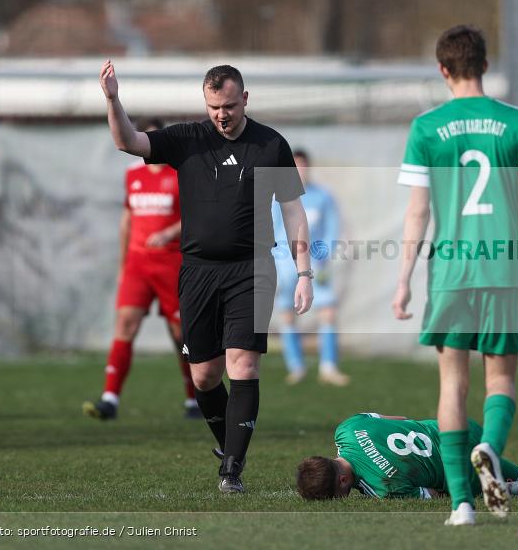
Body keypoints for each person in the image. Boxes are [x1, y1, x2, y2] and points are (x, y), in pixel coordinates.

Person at [392, 25, 518, 526]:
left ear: (442, 70)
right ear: (486, 66)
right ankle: (490, 450)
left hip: (451, 272)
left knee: (452, 386)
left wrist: (404, 278)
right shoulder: (517, 121)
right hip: (503, 270)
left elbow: (417, 212)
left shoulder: (426, 127)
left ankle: (460, 506)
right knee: (502, 379)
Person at [99, 61, 314, 494]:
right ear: (205, 103)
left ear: (245, 100)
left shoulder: (271, 144)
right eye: (214, 106)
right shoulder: (187, 140)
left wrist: (305, 271)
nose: (222, 114)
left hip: (252, 269)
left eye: (230, 105)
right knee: (203, 377)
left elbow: (293, 211)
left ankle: (231, 470)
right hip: (197, 272)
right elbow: (127, 141)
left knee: (244, 364)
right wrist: (112, 99)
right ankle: (231, 444)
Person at [83, 117, 198, 420]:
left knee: (180, 334)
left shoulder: (179, 175)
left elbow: (197, 218)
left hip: (172, 263)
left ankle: (194, 399)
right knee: (125, 325)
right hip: (137, 264)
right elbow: (126, 221)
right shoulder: (133, 175)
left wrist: (169, 233)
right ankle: (110, 398)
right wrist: (123, 265)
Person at [296, 412, 518, 501]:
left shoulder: (382, 489)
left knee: (456, 485)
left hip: (463, 470)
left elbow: (433, 494)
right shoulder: (347, 429)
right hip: (456, 425)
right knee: (481, 453)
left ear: (342, 481)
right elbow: (399, 420)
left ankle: (510, 487)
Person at [271, 149, 348, 386]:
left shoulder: (323, 196)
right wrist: (274, 260)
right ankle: (296, 367)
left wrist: (323, 257)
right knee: (287, 313)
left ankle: (328, 367)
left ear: (308, 167)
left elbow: (332, 229)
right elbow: (271, 230)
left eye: (302, 166)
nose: (299, 171)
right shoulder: (278, 198)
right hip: (285, 266)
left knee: (328, 311)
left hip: (314, 265)